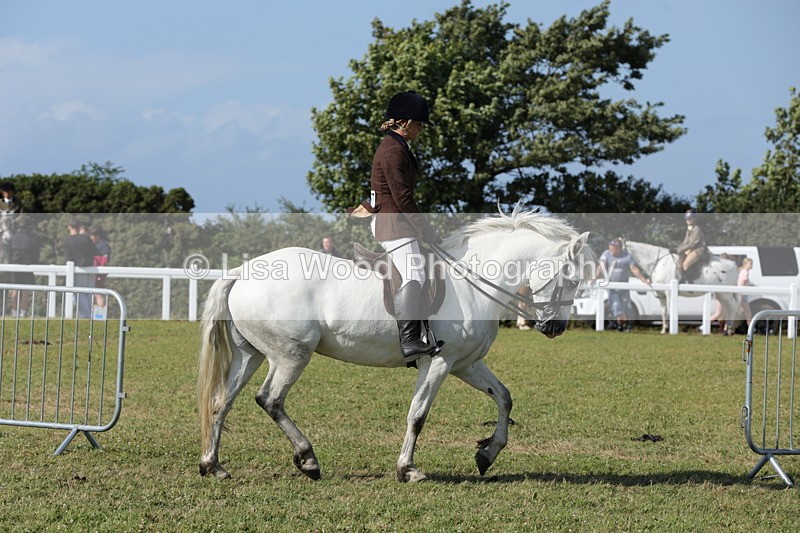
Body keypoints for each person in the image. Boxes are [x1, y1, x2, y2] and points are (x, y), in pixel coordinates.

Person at [369, 90, 441, 366]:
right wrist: (426, 230)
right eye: (420, 123)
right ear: (405, 123)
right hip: (393, 224)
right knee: (416, 274)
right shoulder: (392, 150)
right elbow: (403, 198)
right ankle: (410, 341)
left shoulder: (397, 146)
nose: (421, 129)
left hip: (395, 221)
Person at [597, 239, 650, 332]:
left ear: (619, 248)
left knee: (627, 307)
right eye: (610, 248)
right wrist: (593, 278)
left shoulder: (627, 256)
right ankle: (625, 324)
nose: (611, 250)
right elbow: (601, 267)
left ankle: (621, 326)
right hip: (612, 287)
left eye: (614, 248)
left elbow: (634, 269)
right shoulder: (606, 254)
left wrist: (644, 280)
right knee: (616, 306)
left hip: (624, 287)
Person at [63, 221, 98, 318]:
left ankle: (86, 315)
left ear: (69, 227)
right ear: (79, 227)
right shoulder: (86, 238)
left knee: (80, 293)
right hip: (91, 268)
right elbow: (95, 251)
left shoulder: (67, 241)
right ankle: (89, 314)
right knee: (90, 293)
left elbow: (68, 258)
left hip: (77, 269)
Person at [7, 217, 39, 317]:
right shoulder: (31, 238)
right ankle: (22, 313)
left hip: (14, 266)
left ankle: (14, 312)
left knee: (15, 290)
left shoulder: (12, 238)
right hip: (27, 266)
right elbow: (36, 254)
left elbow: (8, 253)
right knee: (25, 291)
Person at [676, 208, 708, 282]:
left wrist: (679, 250)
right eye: (687, 219)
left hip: (699, 250)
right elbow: (685, 242)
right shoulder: (689, 230)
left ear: (694, 219)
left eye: (690, 218)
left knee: (685, 265)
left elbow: (692, 244)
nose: (688, 220)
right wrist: (677, 248)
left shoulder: (697, 229)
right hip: (691, 249)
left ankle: (689, 282)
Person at [90, 227, 111, 315]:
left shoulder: (104, 245)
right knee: (94, 294)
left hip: (99, 273)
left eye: (92, 236)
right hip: (94, 272)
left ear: (97, 236)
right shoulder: (94, 245)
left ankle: (100, 316)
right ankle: (95, 315)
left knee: (98, 293)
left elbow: (104, 260)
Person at [738, 257, 753, 328]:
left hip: (741, 294)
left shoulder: (743, 271)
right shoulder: (745, 272)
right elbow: (742, 282)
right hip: (742, 295)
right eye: (750, 263)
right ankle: (751, 328)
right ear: (746, 264)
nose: (751, 265)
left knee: (737, 312)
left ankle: (727, 328)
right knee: (748, 313)